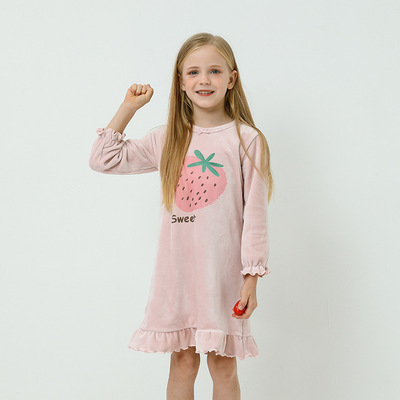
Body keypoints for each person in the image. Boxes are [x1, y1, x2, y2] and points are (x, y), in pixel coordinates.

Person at [89, 32, 274, 400]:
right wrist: (128, 108)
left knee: (223, 365)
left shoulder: (246, 138)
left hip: (223, 274)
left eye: (214, 71)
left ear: (231, 79)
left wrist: (252, 277)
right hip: (177, 272)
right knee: (183, 362)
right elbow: (102, 159)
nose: (204, 80)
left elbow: (255, 216)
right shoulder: (166, 138)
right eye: (193, 72)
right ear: (181, 81)